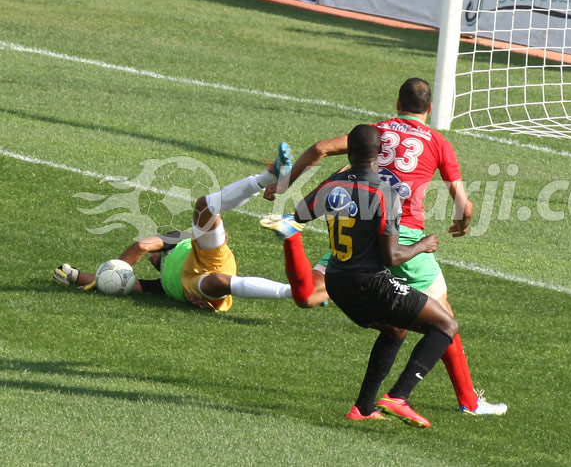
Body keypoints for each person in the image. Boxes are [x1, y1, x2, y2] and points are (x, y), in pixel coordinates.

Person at [264, 78, 507, 416]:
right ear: (430, 108)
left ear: (398, 104)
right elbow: (463, 204)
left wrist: (282, 184)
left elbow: (320, 148)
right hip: (402, 234)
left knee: (323, 294)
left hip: (357, 227)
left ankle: (363, 405)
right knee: (444, 319)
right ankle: (468, 401)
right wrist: (462, 222)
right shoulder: (438, 142)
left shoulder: (375, 132)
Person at [262, 124, 458, 428]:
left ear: (349, 152)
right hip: (369, 282)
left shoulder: (333, 184)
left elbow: (300, 214)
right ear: (380, 153)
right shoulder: (385, 192)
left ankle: (363, 408)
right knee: (446, 325)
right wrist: (423, 245)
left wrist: (332, 183)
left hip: (336, 281)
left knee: (395, 330)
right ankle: (399, 397)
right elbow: (391, 257)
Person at [53, 143, 302, 310]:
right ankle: (293, 292)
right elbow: (123, 284)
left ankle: (269, 176)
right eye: (153, 258)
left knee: (204, 207)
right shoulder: (161, 285)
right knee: (217, 282)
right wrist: (74, 276)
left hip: (208, 256)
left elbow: (142, 246)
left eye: (154, 255)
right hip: (196, 285)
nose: (151, 257)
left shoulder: (174, 239)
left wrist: (118, 266)